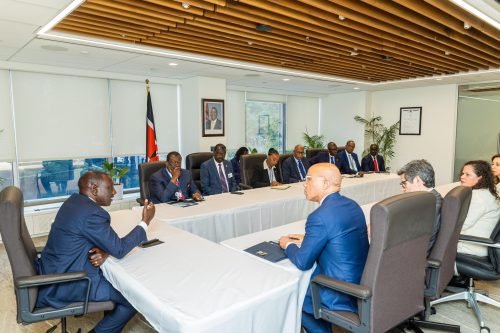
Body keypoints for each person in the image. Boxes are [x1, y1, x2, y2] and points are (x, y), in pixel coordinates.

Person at [36, 171, 156, 333]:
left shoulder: (74, 202)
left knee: (117, 280)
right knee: (133, 298)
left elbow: (101, 241)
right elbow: (119, 249)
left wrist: (106, 250)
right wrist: (145, 222)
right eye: (110, 187)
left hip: (51, 271)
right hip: (67, 283)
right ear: (93, 188)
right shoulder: (94, 214)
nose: (114, 192)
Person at [279, 163, 369, 333]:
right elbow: (343, 236)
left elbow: (302, 261)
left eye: (308, 180)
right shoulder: (352, 205)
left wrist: (288, 244)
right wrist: (310, 238)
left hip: (340, 289)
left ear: (325, 183)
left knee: (293, 296)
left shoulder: (319, 217)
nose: (304, 184)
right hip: (362, 279)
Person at [397, 159, 441, 256]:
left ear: (417, 180)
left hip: (413, 258)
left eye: (404, 184)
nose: (402, 189)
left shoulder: (429, 206)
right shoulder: (434, 198)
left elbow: (420, 242)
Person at [457, 160, 500, 257]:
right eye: (462, 173)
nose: (462, 177)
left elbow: (463, 225)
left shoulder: (479, 197)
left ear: (480, 178)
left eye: (468, 174)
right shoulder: (485, 193)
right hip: (478, 245)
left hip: (470, 247)